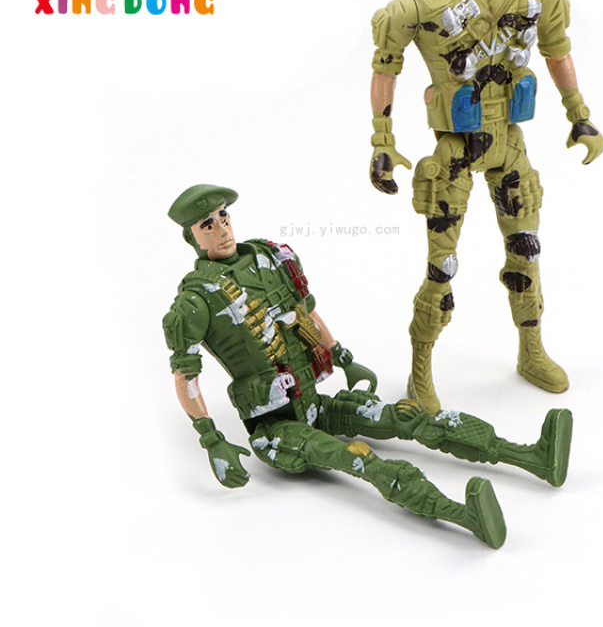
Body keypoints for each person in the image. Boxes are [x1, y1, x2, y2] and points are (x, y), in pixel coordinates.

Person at [163, 184, 573, 548]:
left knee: (409, 417)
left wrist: (342, 356)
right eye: (207, 225)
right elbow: (185, 376)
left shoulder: (268, 258)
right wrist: (212, 440)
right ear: (192, 237)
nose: (221, 229)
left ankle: (530, 456)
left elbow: (306, 314)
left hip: (313, 401)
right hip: (276, 429)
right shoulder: (196, 300)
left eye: (223, 216)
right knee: (363, 459)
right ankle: (465, 516)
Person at [369, 0, 603, 413]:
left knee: (527, 250)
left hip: (509, 141)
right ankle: (421, 374)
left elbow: (558, 51)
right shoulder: (420, 2)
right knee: (443, 265)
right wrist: (382, 142)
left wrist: (579, 114)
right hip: (455, 148)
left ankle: (531, 350)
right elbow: (386, 67)